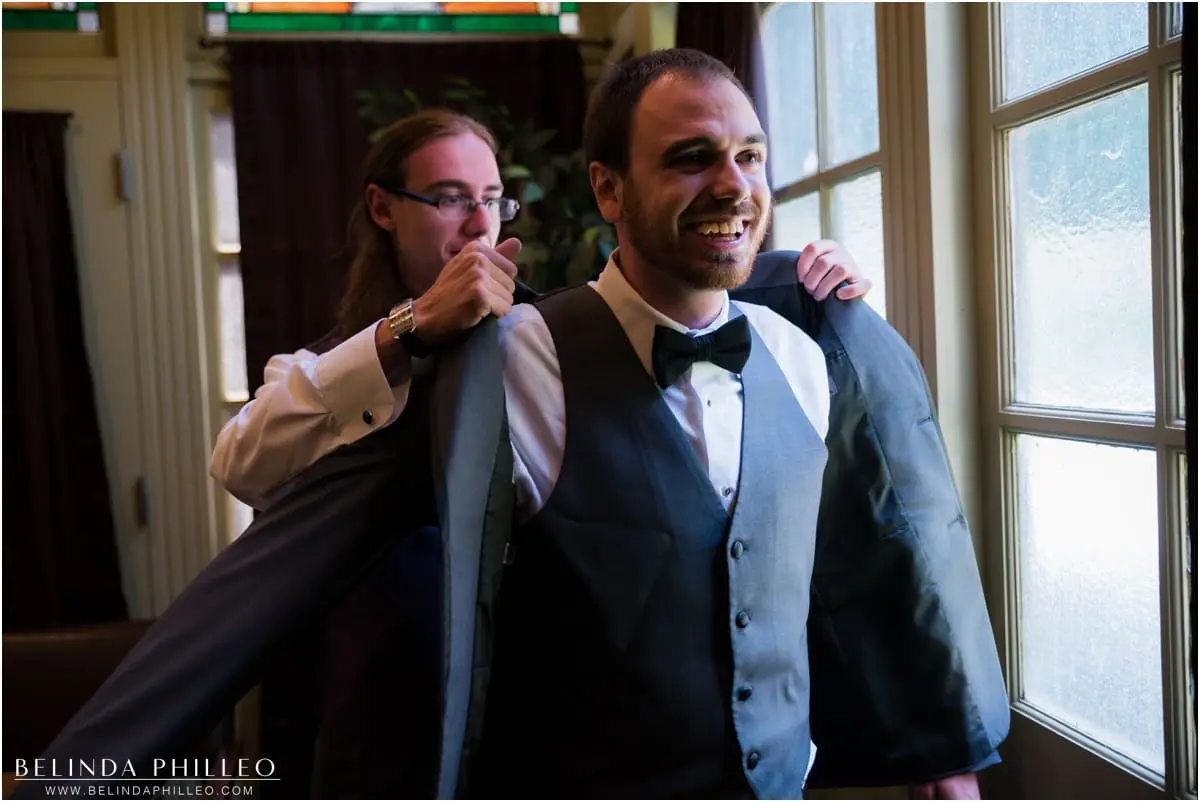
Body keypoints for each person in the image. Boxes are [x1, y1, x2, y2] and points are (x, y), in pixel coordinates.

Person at [22, 51, 1007, 801]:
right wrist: (78, 772)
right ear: (608, 191)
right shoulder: (502, 363)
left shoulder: (803, 350)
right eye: (450, 198)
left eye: (749, 156)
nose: (476, 223)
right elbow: (252, 507)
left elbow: (872, 549)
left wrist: (940, 746)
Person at [209, 108, 871, 510]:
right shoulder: (339, 359)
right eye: (448, 198)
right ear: (383, 208)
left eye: (492, 199)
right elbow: (240, 466)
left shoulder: (554, 338)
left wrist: (811, 281)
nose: (478, 225)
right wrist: (406, 333)